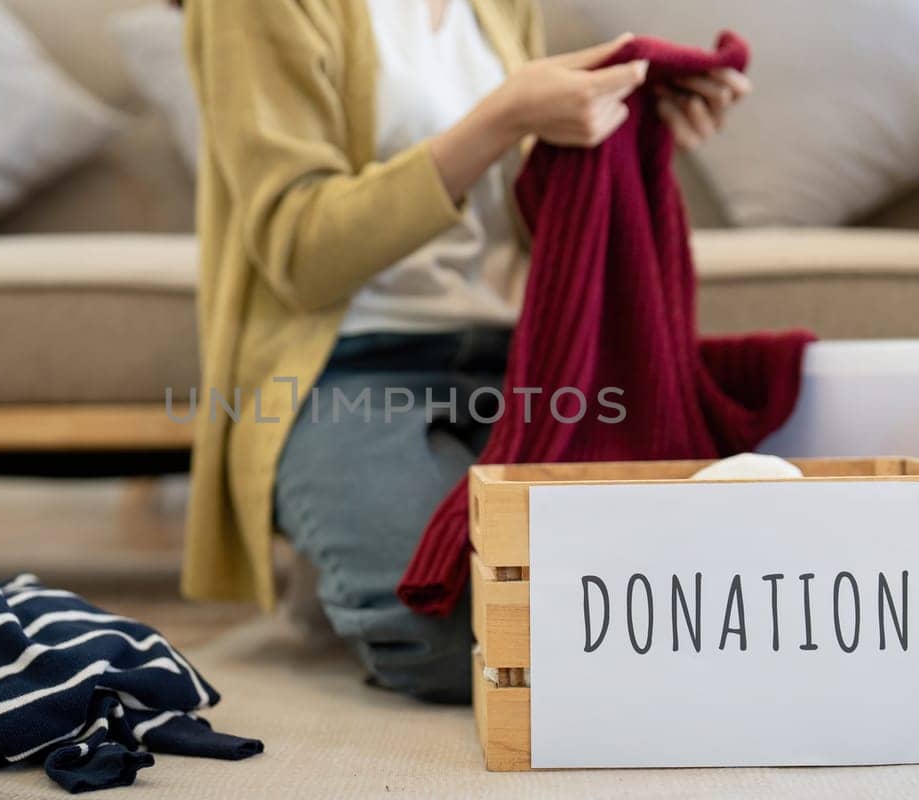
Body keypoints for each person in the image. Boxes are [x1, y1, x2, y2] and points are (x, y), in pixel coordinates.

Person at [180, 0, 749, 702]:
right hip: (350, 367)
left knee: (679, 583)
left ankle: (359, 546)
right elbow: (299, 250)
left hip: (519, 362)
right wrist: (503, 116)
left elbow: (519, 213)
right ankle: (356, 537)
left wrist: (620, 128)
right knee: (463, 634)